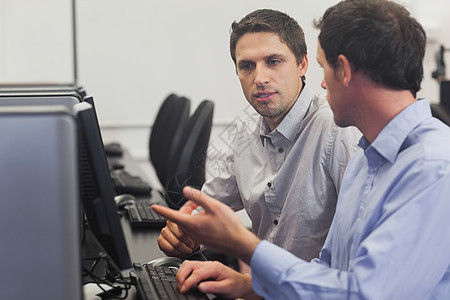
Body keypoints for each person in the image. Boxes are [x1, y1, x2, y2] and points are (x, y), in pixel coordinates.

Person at [152, 0, 450, 299]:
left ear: (342, 70)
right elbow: (329, 272)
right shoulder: (367, 158)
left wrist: (246, 247)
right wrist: (248, 285)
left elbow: (365, 294)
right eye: (247, 66)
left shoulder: (434, 166)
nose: (321, 84)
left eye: (323, 67)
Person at [157, 8, 360, 262]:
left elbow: (359, 252)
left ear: (302, 64)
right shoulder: (245, 129)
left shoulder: (337, 128)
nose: (260, 78)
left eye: (273, 62)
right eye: (247, 66)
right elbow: (208, 207)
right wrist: (184, 230)